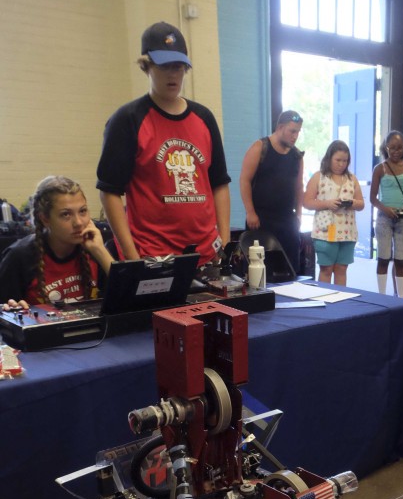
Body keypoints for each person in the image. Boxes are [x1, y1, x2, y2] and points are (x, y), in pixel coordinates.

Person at [97, 21, 231, 265]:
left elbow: (219, 182)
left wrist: (224, 239)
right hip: (153, 257)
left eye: (179, 67)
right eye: (164, 66)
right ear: (146, 66)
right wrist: (131, 256)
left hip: (206, 255)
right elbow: (109, 191)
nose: (173, 74)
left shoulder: (203, 118)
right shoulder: (128, 119)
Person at [0, 175, 114, 308]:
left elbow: (131, 301)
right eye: (66, 214)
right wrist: (10, 310)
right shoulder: (20, 256)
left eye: (82, 211)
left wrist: (101, 251)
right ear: (45, 219)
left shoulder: (93, 247)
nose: (78, 222)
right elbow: (5, 309)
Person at [240, 110, 305, 273]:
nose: (295, 136)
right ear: (280, 127)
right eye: (292, 131)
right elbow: (244, 180)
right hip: (261, 219)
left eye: (298, 132)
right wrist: (250, 212)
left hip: (287, 220)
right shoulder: (260, 148)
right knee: (260, 271)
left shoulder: (297, 156)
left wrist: (299, 214)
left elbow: (299, 187)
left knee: (291, 269)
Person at [303, 140, 364, 285]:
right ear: (329, 158)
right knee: (326, 269)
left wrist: (353, 203)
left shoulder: (351, 179)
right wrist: (327, 204)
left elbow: (361, 204)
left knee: (342, 269)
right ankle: (324, 299)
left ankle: (340, 301)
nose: (341, 164)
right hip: (325, 233)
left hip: (347, 233)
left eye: (345, 160)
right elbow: (307, 202)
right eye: (338, 160)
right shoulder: (319, 177)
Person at [369, 130, 403, 297]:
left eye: (400, 148)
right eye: (392, 148)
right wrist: (385, 209)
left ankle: (401, 296)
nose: (396, 151)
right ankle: (382, 294)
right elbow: (372, 198)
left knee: (401, 259)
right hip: (384, 219)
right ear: (386, 148)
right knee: (383, 257)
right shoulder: (379, 169)